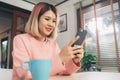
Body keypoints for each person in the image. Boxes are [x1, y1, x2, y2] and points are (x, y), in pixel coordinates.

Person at [12, 2, 84, 80]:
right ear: (36, 19)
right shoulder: (20, 40)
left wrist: (74, 61)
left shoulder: (53, 44)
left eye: (54, 21)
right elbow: (25, 75)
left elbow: (62, 71)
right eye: (47, 19)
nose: (51, 24)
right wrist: (60, 59)